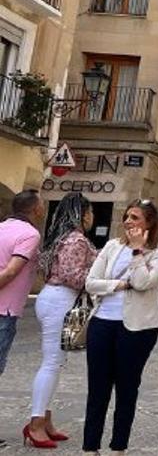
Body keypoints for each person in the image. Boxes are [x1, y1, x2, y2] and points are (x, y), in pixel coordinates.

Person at [83, 199, 158, 456]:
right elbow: (90, 282)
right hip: (102, 322)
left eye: (135, 217)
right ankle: (90, 448)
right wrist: (117, 285)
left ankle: (118, 447)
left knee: (126, 388)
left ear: (149, 222)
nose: (128, 222)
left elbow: (145, 282)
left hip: (138, 328)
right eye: (127, 216)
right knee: (97, 388)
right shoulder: (112, 246)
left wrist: (137, 252)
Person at [27, 192, 98, 446]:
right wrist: (100, 279)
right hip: (61, 300)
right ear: (81, 213)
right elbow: (73, 275)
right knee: (52, 362)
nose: (92, 217)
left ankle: (44, 419)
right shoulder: (76, 240)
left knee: (57, 362)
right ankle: (35, 423)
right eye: (89, 212)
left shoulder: (60, 238)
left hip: (58, 299)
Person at [1, 189, 44, 449]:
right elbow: (12, 271)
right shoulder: (30, 234)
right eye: (41, 206)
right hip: (4, 310)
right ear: (35, 210)